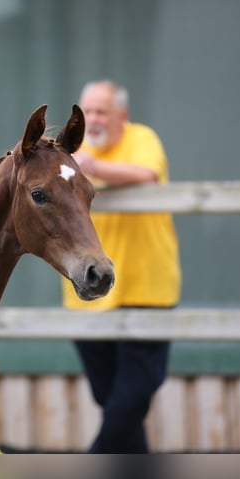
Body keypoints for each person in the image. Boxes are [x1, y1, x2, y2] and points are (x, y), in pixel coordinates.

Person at [61, 80, 181, 453]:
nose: (93, 119)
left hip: (145, 288)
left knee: (131, 399)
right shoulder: (69, 150)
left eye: (102, 112)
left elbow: (149, 174)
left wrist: (95, 166)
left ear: (122, 117)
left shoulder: (142, 138)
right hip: (88, 291)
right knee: (111, 399)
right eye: (88, 111)